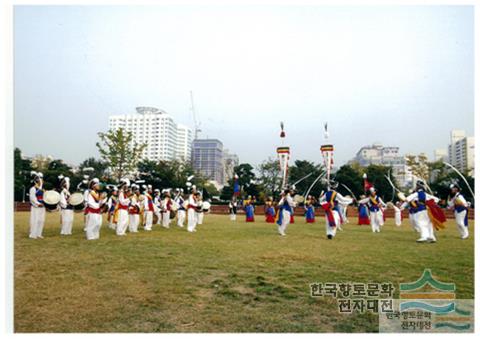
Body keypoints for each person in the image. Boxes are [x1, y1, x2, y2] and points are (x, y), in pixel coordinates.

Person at [29, 172, 46, 239]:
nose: (41, 181)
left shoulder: (42, 190)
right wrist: (38, 204)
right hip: (36, 207)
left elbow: (45, 197)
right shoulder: (33, 189)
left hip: (42, 207)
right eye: (40, 180)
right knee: (35, 220)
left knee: (41, 220)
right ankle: (33, 234)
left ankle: (39, 233)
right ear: (36, 181)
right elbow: (32, 198)